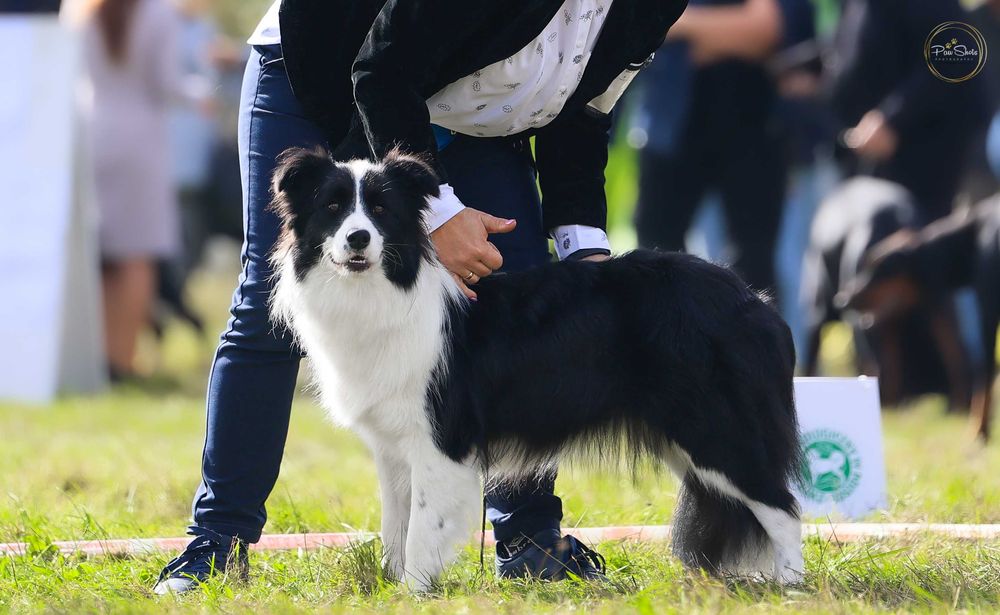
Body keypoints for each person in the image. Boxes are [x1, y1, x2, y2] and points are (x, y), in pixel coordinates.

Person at [154, 0, 688, 593]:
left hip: (468, 105)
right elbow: (381, 70)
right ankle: (216, 543)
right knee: (267, 306)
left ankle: (531, 538)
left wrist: (586, 251)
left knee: (521, 300)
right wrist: (438, 212)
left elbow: (580, 112)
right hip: (326, 67)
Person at [632, 0, 788, 294]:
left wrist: (683, 24)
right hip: (670, 125)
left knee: (754, 274)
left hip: (750, 128)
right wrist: (727, 33)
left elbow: (764, 30)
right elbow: (637, 23)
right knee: (655, 266)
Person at [82, 0, 182, 379]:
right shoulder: (160, 13)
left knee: (105, 256)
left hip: (92, 135)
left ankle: (103, 356)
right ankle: (123, 358)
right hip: (139, 140)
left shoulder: (81, 10)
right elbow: (167, 83)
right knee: (137, 255)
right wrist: (203, 92)